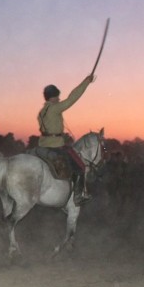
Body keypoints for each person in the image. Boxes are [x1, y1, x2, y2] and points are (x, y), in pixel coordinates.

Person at [37, 74, 96, 205]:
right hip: (56, 145)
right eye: (57, 96)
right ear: (53, 96)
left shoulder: (41, 112)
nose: (59, 99)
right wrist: (86, 82)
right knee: (80, 166)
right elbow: (72, 98)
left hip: (42, 144)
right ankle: (78, 196)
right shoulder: (54, 108)